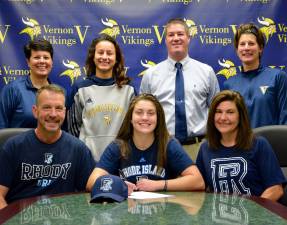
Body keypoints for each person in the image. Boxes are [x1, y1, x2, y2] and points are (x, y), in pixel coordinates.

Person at [0, 84, 96, 210]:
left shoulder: (78, 149)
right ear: (35, 111)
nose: (53, 114)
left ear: (65, 112)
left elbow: (91, 191)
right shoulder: (13, 147)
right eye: (46, 108)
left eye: (59, 108)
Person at [86, 94, 205, 193]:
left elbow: (198, 181)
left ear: (158, 119)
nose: (145, 117)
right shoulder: (118, 146)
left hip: (164, 215)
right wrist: (118, 186)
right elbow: (91, 182)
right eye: (139, 112)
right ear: (130, 119)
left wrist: (159, 185)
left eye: (151, 113)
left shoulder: (168, 144)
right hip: (126, 215)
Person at [140, 18, 219, 160]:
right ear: (165, 40)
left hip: (199, 148)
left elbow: (217, 112)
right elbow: (143, 115)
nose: (176, 38)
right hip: (163, 147)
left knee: (201, 183)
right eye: (171, 35)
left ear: (188, 38)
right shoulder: (150, 75)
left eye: (180, 34)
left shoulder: (207, 72)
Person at [196, 90, 286, 201]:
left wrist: (255, 214)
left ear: (240, 116)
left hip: (255, 216)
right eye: (218, 112)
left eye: (230, 112)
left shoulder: (258, 145)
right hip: (219, 216)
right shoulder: (206, 148)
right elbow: (198, 188)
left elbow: (275, 189)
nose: (223, 118)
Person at [67, 34, 136, 162]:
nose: (104, 57)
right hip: (87, 159)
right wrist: (82, 152)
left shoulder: (128, 90)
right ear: (93, 57)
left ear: (116, 59)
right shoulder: (80, 88)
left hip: (121, 159)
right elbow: (72, 128)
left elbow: (133, 127)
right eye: (100, 53)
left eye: (109, 53)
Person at [223, 23, 287, 128]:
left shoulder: (278, 77)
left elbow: (285, 120)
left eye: (251, 43)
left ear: (260, 48)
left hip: (271, 143)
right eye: (242, 44)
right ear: (237, 50)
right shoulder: (229, 84)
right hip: (241, 144)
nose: (246, 48)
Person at [0, 39, 54, 128]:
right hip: (18, 142)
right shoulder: (13, 89)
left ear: (51, 62)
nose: (42, 61)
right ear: (28, 62)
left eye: (46, 57)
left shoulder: (59, 92)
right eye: (37, 57)